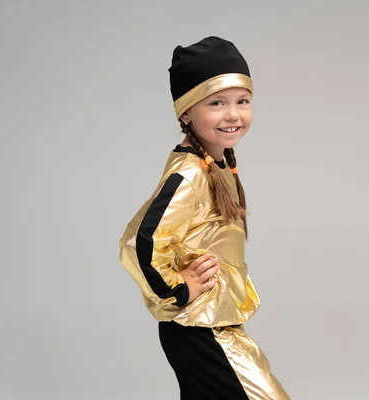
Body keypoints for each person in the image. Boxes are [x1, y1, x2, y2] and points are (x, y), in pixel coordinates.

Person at [118, 36, 290, 400]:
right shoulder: (190, 173)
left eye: (242, 101)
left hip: (213, 322)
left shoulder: (216, 162)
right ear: (185, 112)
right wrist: (178, 288)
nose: (233, 114)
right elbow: (140, 241)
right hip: (200, 328)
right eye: (216, 103)